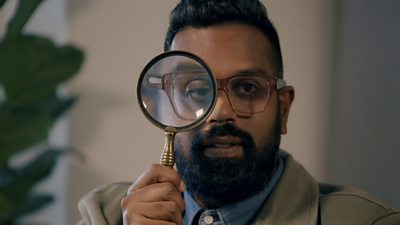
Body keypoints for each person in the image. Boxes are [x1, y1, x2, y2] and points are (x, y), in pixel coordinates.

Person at [76, 0, 400, 224]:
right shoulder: (104, 216)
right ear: (164, 110)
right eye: (196, 90)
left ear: (283, 110)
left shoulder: (368, 221)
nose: (219, 113)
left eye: (246, 88)